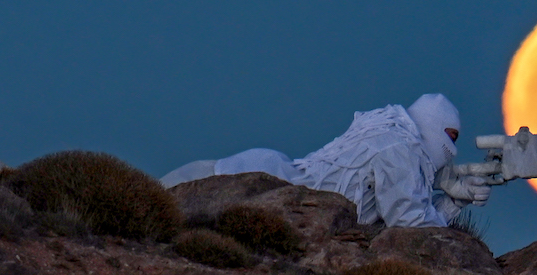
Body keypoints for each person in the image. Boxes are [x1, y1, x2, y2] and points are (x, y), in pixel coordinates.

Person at [160, 93, 491, 227]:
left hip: (265, 170)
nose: (451, 151)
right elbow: (409, 222)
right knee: (157, 203)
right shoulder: (399, 150)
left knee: (158, 199)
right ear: (434, 129)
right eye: (451, 138)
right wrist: (452, 205)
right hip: (269, 182)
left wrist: (446, 192)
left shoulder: (386, 129)